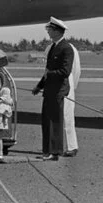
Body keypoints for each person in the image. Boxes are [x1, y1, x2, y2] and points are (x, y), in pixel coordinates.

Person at [32, 17, 74, 161]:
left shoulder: (66, 48)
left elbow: (65, 72)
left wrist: (49, 75)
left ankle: (55, 152)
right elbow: (47, 71)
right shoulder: (53, 47)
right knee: (46, 121)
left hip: (58, 91)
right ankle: (47, 151)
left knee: (55, 122)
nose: (48, 31)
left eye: (50, 29)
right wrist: (39, 86)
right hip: (49, 90)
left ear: (57, 31)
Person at [64, 43, 81, 157]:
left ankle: (71, 146)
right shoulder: (49, 48)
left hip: (66, 86)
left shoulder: (70, 48)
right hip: (53, 88)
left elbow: (76, 70)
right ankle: (54, 147)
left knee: (67, 117)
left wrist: (72, 86)